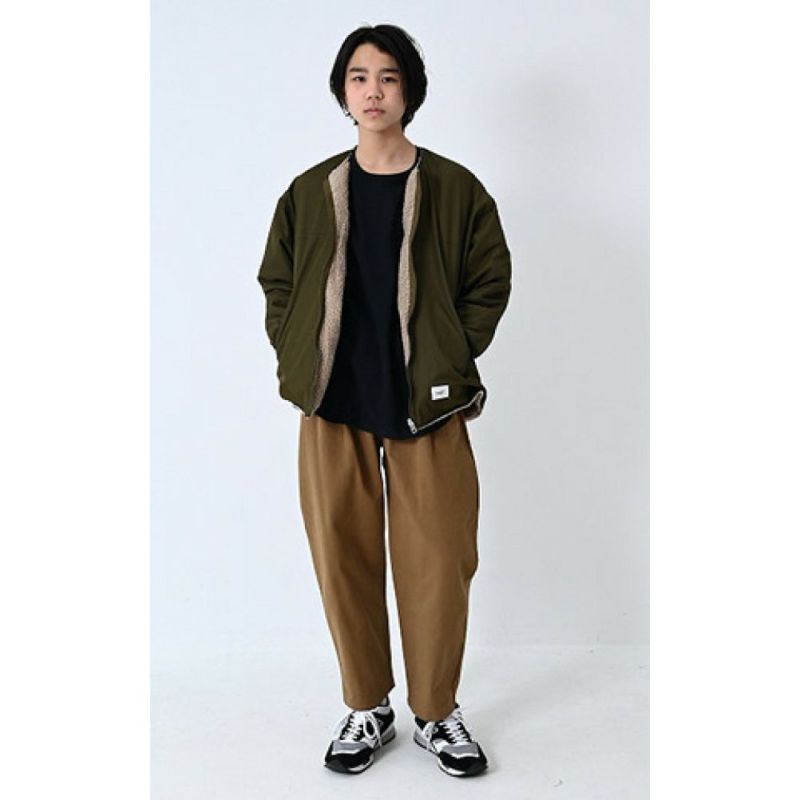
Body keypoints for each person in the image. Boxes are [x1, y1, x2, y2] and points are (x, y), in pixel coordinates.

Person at [257, 23, 511, 778]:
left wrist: (450, 353)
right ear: (343, 91)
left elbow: (489, 280)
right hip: (332, 401)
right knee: (342, 556)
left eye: (389, 77)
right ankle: (367, 707)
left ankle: (436, 712)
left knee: (440, 560)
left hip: (425, 404)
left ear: (410, 91)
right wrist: (295, 351)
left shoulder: (456, 188)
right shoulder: (310, 191)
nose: (373, 91)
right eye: (360, 77)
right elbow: (278, 282)